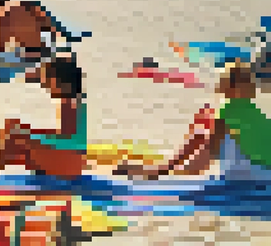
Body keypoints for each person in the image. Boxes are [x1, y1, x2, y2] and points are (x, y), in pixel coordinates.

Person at [116, 60, 271, 182]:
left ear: (226, 86)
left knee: (208, 134)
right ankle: (162, 169)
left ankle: (156, 170)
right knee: (207, 132)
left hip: (250, 178)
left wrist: (157, 174)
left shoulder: (228, 111)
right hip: (266, 175)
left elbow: (202, 162)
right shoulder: (257, 114)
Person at [0, 55, 88, 181]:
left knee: (14, 134)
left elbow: (68, 141)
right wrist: (36, 136)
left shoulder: (68, 104)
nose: (45, 85)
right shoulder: (76, 103)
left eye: (48, 80)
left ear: (60, 81)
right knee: (15, 128)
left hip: (68, 166)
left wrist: (35, 139)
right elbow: (69, 137)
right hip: (72, 164)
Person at [0, 0, 60, 65]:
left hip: (28, 56)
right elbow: (49, 26)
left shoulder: (1, 17)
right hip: (45, 50)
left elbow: (0, 47)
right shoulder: (28, 6)